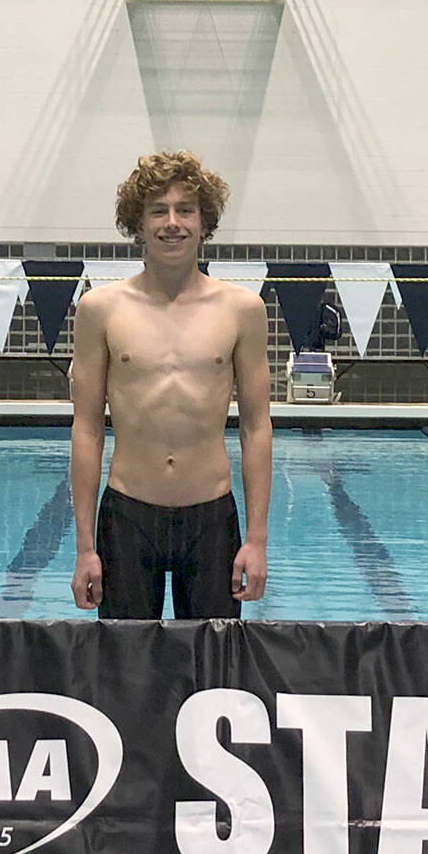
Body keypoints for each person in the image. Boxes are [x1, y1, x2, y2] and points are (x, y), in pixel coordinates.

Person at [70, 150, 272, 620]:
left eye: (186, 210)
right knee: (123, 673)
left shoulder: (241, 309)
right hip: (127, 515)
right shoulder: (101, 309)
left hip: (211, 517)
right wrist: (84, 548)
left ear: (205, 222)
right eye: (158, 210)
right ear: (137, 223)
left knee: (214, 678)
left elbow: (256, 427)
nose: (172, 223)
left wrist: (257, 540)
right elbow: (86, 429)